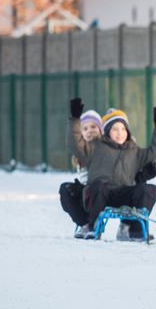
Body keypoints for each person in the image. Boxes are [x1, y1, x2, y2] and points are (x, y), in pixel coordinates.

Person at [70, 105, 156, 241]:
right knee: (98, 186)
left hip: (124, 193)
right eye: (115, 129)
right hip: (101, 194)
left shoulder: (134, 150)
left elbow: (155, 152)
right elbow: (76, 146)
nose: (120, 133)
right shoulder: (96, 147)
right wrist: (75, 121)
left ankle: (134, 229)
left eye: (123, 129)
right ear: (108, 131)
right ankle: (93, 227)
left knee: (149, 190)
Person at [60, 101, 103, 238]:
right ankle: (83, 223)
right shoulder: (79, 154)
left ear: (100, 130)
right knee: (66, 189)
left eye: (93, 127)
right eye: (85, 128)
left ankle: (93, 224)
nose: (89, 130)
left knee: (93, 189)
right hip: (86, 190)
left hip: (101, 190)